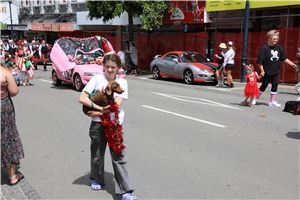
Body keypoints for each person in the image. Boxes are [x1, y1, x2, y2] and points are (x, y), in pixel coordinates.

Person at [79, 54, 137, 200]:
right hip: (97, 125)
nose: (110, 69)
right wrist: (99, 109)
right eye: (108, 66)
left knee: (119, 156)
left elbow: (116, 105)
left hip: (114, 125)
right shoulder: (97, 79)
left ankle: (125, 191)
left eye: (113, 67)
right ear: (103, 66)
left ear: (118, 68)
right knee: (97, 154)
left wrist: (97, 111)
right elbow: (82, 98)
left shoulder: (121, 83)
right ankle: (96, 178)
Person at [252, 30, 297, 107]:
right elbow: (260, 61)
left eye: (277, 39)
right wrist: (262, 70)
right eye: (274, 39)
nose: (276, 40)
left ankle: (271, 102)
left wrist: (292, 64)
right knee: (264, 85)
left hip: (276, 71)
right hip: (266, 71)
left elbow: (284, 58)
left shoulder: (279, 47)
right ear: (270, 38)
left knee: (275, 85)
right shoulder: (264, 48)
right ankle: (255, 99)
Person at [0, 62, 25, 186]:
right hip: (3, 107)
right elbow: (14, 91)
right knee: (7, 138)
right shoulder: (4, 70)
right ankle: (12, 176)